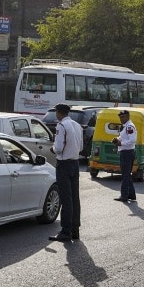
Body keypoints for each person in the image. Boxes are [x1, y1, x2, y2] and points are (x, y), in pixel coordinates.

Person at [48, 103, 83, 243]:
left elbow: (58, 148)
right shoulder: (77, 125)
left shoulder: (61, 125)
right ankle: (75, 230)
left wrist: (52, 149)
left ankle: (65, 231)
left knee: (65, 198)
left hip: (64, 164)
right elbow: (80, 147)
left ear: (59, 112)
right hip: (75, 163)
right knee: (75, 198)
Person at [114, 109, 138, 202]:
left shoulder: (129, 126)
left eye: (123, 117)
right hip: (125, 152)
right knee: (126, 174)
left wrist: (121, 144)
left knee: (125, 175)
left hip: (127, 152)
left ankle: (124, 196)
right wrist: (117, 139)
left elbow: (132, 140)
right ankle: (131, 194)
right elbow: (124, 137)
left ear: (128, 117)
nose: (121, 119)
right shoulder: (126, 126)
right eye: (120, 117)